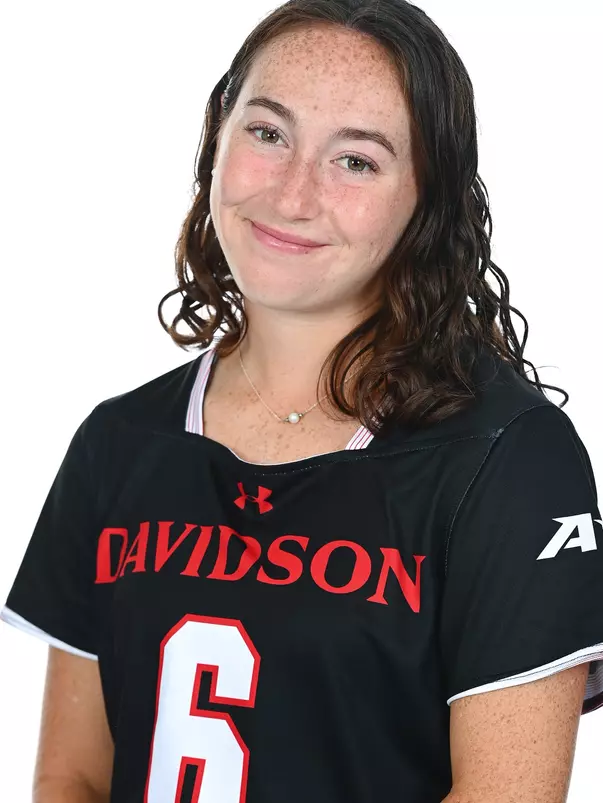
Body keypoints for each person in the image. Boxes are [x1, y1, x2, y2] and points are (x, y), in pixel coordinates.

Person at [2, 1, 602, 801]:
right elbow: (71, 776)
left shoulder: (510, 460)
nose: (291, 195)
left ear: (427, 197)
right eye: (268, 133)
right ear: (217, 135)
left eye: (355, 161)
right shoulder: (121, 441)